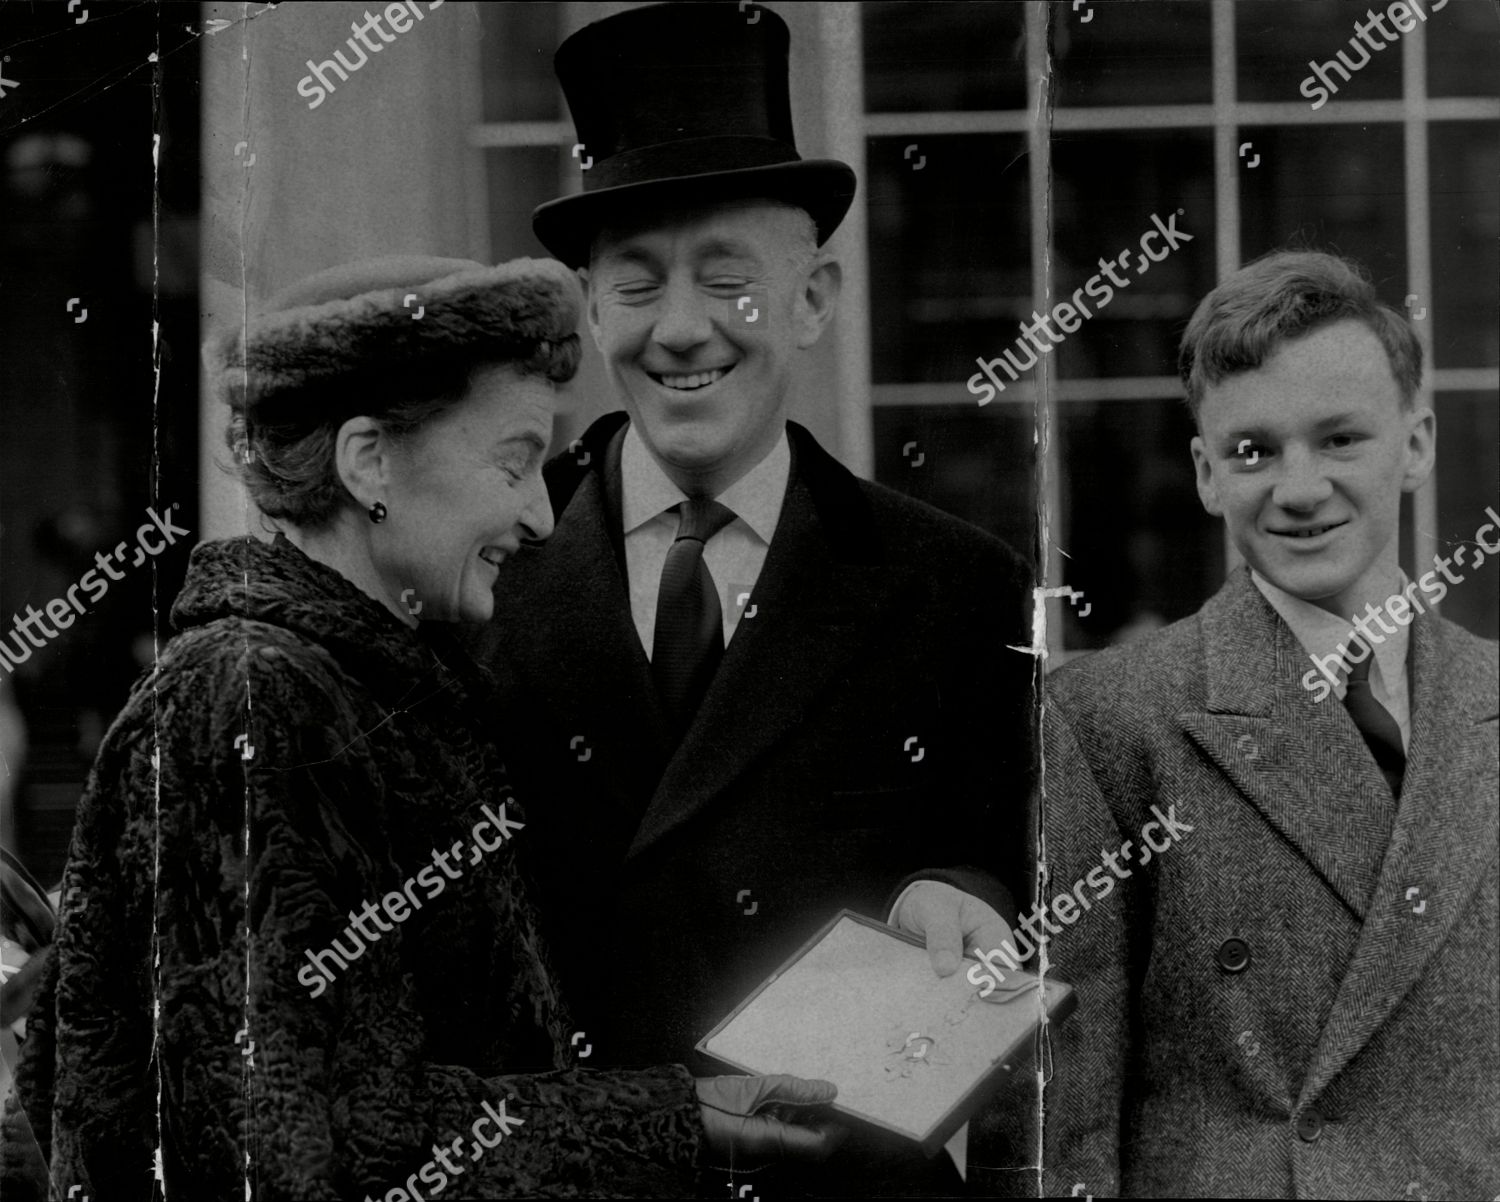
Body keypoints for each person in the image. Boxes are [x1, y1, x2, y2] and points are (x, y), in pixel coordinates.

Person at [0, 256, 842, 1201]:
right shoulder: (251, 698)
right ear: (369, 464)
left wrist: (682, 1118)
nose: (538, 512)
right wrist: (669, 1124)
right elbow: (292, 1150)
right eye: (514, 461)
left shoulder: (375, 683)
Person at [463, 4, 1035, 1194]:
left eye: (732, 280)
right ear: (587, 308)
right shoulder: (482, 581)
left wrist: (963, 892)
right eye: (637, 284)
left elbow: (1005, 850)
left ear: (817, 297)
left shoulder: (955, 586)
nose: (683, 330)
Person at [1034, 250, 1498, 1197]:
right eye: (1254, 451)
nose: (1297, 488)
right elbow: (1064, 1113)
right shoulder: (1114, 717)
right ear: (1206, 474)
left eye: (1339, 440)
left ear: (1416, 445)